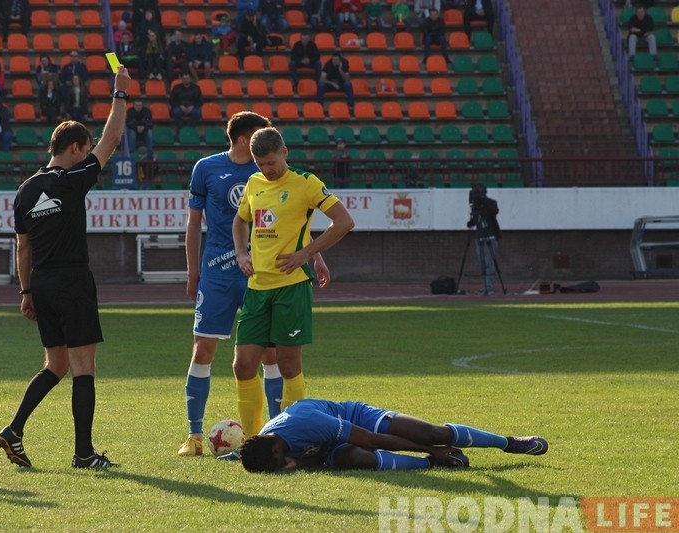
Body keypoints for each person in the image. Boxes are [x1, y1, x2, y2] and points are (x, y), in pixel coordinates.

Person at [0, 64, 132, 470]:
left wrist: (26, 292)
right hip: (72, 280)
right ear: (74, 148)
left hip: (41, 283)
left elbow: (22, 246)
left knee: (55, 364)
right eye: (85, 150)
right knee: (83, 368)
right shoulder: (71, 180)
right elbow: (112, 140)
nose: (89, 156)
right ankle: (84, 454)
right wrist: (120, 93)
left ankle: (14, 430)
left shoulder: (25, 190)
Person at [178, 112, 332, 457]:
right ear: (245, 139)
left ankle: (275, 434)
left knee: (271, 355)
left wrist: (314, 256)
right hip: (217, 273)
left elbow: (297, 220)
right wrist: (193, 271)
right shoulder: (208, 169)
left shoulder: (271, 170)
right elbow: (196, 223)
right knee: (204, 351)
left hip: (262, 275)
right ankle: (195, 435)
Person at [231, 127, 354, 443]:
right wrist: (241, 252)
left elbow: (343, 221)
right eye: (260, 164)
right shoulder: (254, 184)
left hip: (292, 287)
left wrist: (307, 254)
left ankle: (290, 440)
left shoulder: (306, 183)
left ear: (284, 153)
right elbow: (241, 219)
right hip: (257, 288)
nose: (267, 170)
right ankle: (251, 441)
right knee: (242, 365)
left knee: (288, 365)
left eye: (271, 162)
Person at [239, 398, 549, 472]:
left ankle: (508, 443)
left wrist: (434, 448)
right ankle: (431, 464)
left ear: (277, 450)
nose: (282, 467)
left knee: (431, 433)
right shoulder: (265, 446)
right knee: (355, 458)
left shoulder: (306, 422)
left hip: (354, 419)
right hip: (331, 447)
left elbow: (372, 439)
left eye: (278, 464)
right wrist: (431, 459)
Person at [467, 183, 500, 295]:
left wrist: (484, 201)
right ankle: (486, 285)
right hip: (479, 236)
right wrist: (471, 222)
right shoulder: (476, 206)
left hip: (490, 235)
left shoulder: (491, 202)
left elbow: (495, 211)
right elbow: (476, 220)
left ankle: (489, 287)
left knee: (489, 262)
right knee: (483, 263)